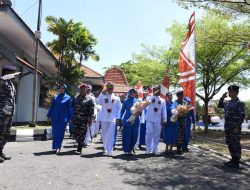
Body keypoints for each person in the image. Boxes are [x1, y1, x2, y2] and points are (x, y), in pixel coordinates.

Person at [218, 85, 245, 168]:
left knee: (235, 144)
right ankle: (233, 159)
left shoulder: (239, 102)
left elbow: (241, 116)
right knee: (230, 143)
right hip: (228, 127)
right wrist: (222, 98)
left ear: (237, 92)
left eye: (232, 91)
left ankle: (236, 162)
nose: (230, 93)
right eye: (229, 91)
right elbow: (220, 106)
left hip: (235, 127)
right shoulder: (227, 102)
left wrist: (237, 127)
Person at [0, 65, 19, 163]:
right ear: (7, 73)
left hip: (10, 112)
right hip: (2, 112)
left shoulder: (11, 83)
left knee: (6, 134)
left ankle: (0, 151)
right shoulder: (2, 82)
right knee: (0, 132)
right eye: (12, 73)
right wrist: (3, 78)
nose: (14, 74)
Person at [97, 82, 122, 156]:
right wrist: (101, 93)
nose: (109, 89)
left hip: (112, 118)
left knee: (111, 134)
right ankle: (105, 147)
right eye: (108, 88)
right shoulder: (103, 96)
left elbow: (119, 108)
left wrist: (117, 117)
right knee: (104, 134)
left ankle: (110, 150)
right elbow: (98, 102)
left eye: (111, 88)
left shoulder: (117, 98)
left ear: (113, 89)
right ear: (106, 88)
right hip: (104, 117)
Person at [47, 84, 72, 155]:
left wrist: (70, 118)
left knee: (60, 133)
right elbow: (52, 107)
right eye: (60, 88)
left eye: (63, 88)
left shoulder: (68, 98)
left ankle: (58, 147)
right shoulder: (55, 97)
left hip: (63, 118)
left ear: (65, 89)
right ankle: (55, 146)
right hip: (55, 117)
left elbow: (69, 109)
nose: (61, 89)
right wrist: (48, 116)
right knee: (55, 133)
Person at [145, 85, 167, 155]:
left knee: (157, 135)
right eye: (155, 89)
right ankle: (148, 148)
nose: (157, 91)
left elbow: (164, 110)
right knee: (149, 133)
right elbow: (146, 104)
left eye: (158, 90)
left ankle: (155, 148)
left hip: (158, 119)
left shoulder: (162, 100)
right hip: (149, 118)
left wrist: (164, 119)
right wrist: (152, 96)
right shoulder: (149, 98)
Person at [73, 83, 95, 155]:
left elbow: (91, 109)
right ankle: (78, 143)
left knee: (82, 134)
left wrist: (91, 118)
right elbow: (72, 107)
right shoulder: (76, 97)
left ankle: (79, 149)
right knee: (76, 133)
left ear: (86, 90)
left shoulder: (89, 99)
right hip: (76, 119)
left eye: (84, 89)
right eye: (81, 88)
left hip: (84, 120)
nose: (83, 90)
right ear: (80, 89)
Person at [118, 88, 141, 155]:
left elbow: (141, 110)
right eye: (131, 92)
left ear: (135, 93)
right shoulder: (125, 101)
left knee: (135, 135)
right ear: (129, 93)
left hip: (136, 119)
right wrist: (120, 118)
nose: (132, 93)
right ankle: (127, 149)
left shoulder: (138, 101)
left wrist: (139, 112)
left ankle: (132, 147)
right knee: (127, 135)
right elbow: (122, 111)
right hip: (127, 120)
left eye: (133, 92)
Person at [171, 90, 188, 154]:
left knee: (182, 134)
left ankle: (181, 146)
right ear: (177, 96)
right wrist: (178, 113)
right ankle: (179, 148)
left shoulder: (185, 103)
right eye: (180, 95)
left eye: (182, 95)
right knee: (178, 134)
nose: (181, 96)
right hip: (177, 120)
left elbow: (187, 111)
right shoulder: (175, 103)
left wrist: (184, 112)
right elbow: (173, 110)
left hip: (183, 120)